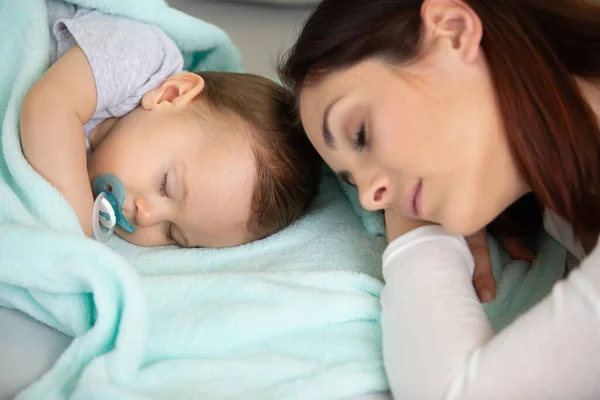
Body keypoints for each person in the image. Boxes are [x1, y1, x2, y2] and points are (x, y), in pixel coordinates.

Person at [279, 0, 600, 397]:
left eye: (360, 133)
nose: (369, 197)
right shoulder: (566, 201)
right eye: (350, 178)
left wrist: (417, 233)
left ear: (454, 31)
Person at [20, 1, 321, 248]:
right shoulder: (140, 56)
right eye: (165, 184)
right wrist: (79, 227)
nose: (147, 216)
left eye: (172, 234)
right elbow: (49, 106)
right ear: (170, 95)